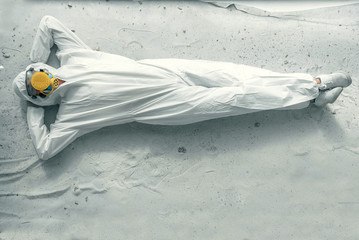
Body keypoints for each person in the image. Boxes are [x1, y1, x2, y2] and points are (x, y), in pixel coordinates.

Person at [13, 16, 352, 160]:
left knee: (237, 74)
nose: (47, 82)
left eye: (41, 74)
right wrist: (33, 113)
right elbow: (45, 149)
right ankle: (315, 86)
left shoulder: (74, 57)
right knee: (237, 98)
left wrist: (32, 62)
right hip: (165, 107)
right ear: (44, 101)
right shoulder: (72, 116)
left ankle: (310, 96)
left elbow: (48, 23)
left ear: (45, 67)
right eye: (40, 89)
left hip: (166, 68)